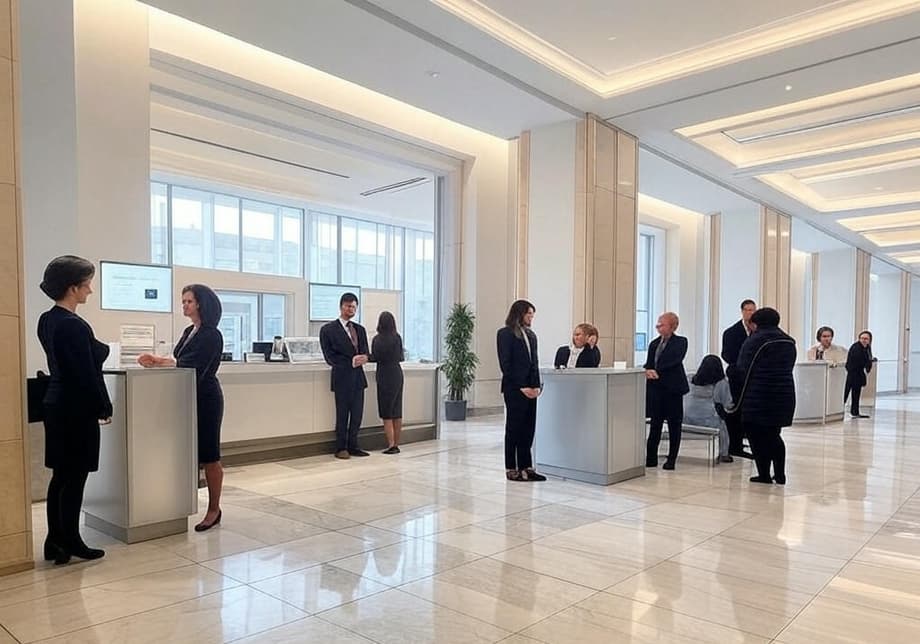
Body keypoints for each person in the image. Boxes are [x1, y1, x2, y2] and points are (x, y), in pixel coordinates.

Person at [37, 256, 112, 564]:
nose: (90, 290)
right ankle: (70, 539)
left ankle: (55, 541)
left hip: (56, 405)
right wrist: (103, 405)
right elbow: (86, 374)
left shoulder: (47, 319)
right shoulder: (73, 325)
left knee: (61, 476)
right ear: (72, 288)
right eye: (87, 284)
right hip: (76, 409)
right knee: (75, 477)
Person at [138, 285, 225, 531]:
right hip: (185, 396)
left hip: (206, 399)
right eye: (183, 301)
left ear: (201, 304)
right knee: (186, 452)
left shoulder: (211, 334)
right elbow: (180, 361)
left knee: (210, 454)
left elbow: (192, 365)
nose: (184, 305)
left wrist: (160, 362)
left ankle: (214, 509)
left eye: (189, 301)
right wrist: (159, 362)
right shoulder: (189, 331)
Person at [735, 307, 796, 485]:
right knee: (774, 434)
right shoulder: (788, 341)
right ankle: (780, 473)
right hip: (784, 393)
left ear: (757, 323)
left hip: (759, 395)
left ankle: (764, 474)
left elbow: (742, 367)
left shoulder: (755, 340)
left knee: (756, 435)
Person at [497, 299, 545, 482]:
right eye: (529, 314)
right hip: (514, 389)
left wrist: (536, 386)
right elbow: (506, 364)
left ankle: (527, 467)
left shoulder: (531, 335)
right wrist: (522, 386)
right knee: (514, 429)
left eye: (532, 314)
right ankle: (511, 468)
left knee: (528, 429)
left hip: (531, 390)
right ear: (519, 313)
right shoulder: (505, 334)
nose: (531, 317)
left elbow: (534, 363)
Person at [319, 292, 370, 459]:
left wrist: (365, 358)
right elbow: (329, 357)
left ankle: (354, 446)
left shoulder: (360, 330)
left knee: (357, 414)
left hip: (358, 379)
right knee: (342, 414)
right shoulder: (328, 330)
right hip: (341, 377)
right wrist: (350, 362)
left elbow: (365, 351)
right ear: (341, 307)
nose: (351, 310)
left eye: (354, 307)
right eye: (348, 306)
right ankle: (341, 447)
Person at [644, 312, 689, 470]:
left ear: (673, 326)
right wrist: (647, 370)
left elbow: (674, 360)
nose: (658, 327)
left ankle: (671, 459)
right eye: (658, 324)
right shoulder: (654, 344)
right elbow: (649, 363)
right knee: (655, 424)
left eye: (662, 325)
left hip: (673, 390)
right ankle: (651, 458)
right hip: (656, 390)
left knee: (674, 425)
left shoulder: (680, 342)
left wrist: (657, 371)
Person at [721, 299, 757, 459]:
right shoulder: (731, 332)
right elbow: (726, 354)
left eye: (753, 310)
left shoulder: (758, 331)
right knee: (736, 409)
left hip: (754, 377)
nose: (751, 313)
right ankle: (734, 444)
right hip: (737, 376)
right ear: (742, 311)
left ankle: (745, 438)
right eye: (748, 310)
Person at [684, 355, 734, 463]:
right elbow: (728, 404)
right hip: (709, 421)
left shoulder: (690, 379)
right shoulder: (721, 383)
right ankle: (724, 454)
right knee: (722, 426)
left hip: (687, 418)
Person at [370, 311, 404, 454]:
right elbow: (401, 357)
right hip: (397, 373)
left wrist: (365, 357)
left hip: (384, 374)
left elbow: (374, 357)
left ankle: (391, 445)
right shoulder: (397, 338)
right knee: (397, 410)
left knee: (386, 412)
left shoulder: (377, 339)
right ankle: (396, 443)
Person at [845, 330, 874, 419]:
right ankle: (838, 411)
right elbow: (858, 361)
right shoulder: (856, 347)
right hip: (852, 373)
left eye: (866, 339)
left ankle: (855, 412)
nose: (863, 340)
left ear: (869, 340)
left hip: (859, 374)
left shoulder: (867, 347)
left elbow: (868, 358)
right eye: (862, 338)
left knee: (856, 394)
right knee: (846, 393)